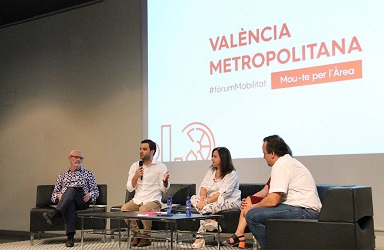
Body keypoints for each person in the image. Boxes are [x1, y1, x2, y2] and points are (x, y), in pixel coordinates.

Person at [245, 135, 322, 250]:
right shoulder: (287, 161)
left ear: (272, 154)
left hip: (304, 210)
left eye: (264, 153)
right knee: (258, 213)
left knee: (252, 216)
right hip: (301, 208)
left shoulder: (281, 165)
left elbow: (273, 200)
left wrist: (253, 207)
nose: (263, 157)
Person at [43, 150, 99, 248]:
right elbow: (54, 195)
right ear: (69, 158)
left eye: (80, 158)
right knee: (70, 202)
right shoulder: (62, 176)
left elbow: (96, 191)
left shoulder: (88, 173)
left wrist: (90, 195)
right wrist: (58, 196)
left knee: (72, 190)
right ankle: (70, 239)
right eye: (76, 157)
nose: (78, 159)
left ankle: (56, 214)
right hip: (67, 200)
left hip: (82, 200)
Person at [120, 139, 170, 247]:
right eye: (140, 149)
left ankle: (147, 237)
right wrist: (135, 177)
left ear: (152, 151)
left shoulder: (160, 167)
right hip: (138, 199)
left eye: (144, 149)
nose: (141, 151)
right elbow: (129, 188)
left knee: (144, 210)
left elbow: (164, 189)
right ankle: (136, 234)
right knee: (124, 209)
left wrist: (165, 181)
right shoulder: (135, 166)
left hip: (153, 199)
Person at [190, 147, 241, 249]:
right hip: (210, 201)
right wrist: (203, 198)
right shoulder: (211, 171)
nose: (212, 159)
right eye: (212, 156)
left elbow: (221, 194)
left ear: (223, 158)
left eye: (215, 156)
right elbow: (203, 186)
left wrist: (206, 202)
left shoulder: (232, 174)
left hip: (228, 201)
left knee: (207, 208)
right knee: (193, 198)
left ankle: (200, 237)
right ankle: (211, 220)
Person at [221, 178, 271, 248]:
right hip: (268, 200)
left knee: (249, 202)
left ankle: (239, 235)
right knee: (248, 201)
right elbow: (264, 192)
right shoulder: (273, 175)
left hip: (276, 203)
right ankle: (239, 234)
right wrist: (249, 199)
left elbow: (274, 199)